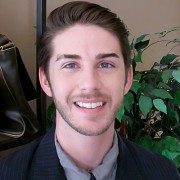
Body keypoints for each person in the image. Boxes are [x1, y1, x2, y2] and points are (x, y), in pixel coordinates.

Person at [0, 1, 179, 180]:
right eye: (70, 65)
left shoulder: (163, 173)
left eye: (105, 64)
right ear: (45, 81)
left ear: (127, 78)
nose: (90, 83)